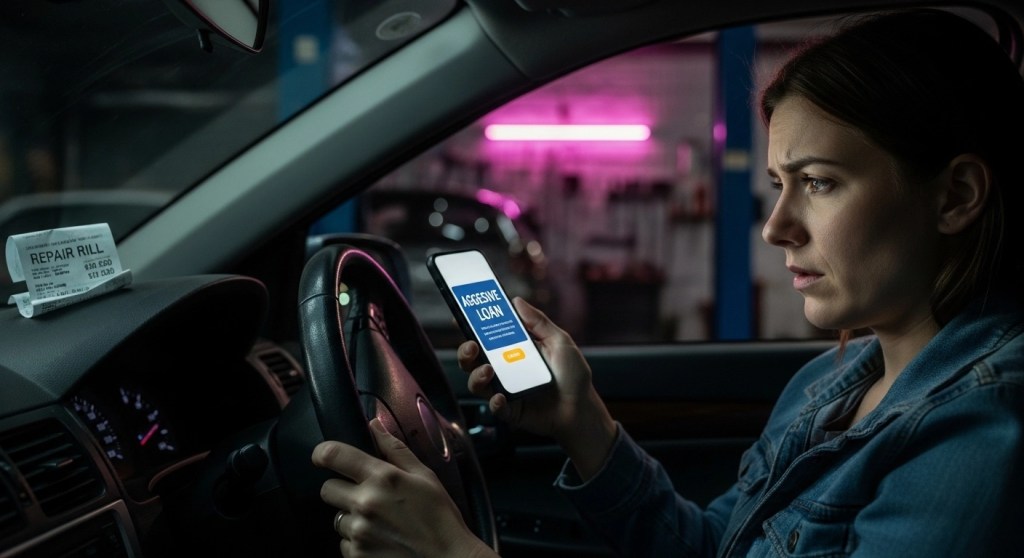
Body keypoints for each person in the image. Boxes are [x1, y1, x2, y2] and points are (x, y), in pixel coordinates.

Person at [310, 8, 1024, 556]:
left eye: (820, 183)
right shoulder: (827, 384)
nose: (776, 227)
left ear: (956, 195)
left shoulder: (982, 437)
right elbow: (712, 549)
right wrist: (584, 425)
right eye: (780, 184)